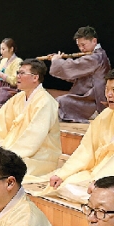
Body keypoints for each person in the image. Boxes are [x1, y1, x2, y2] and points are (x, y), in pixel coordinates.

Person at [0, 59, 60, 177]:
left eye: (22, 73)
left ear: (35, 78)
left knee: (2, 165)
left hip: (38, 154)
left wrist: (9, 154)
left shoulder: (46, 102)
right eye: (18, 73)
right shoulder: (19, 97)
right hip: (11, 144)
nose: (18, 77)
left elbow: (34, 136)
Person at [36, 70, 114, 203]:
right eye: (107, 89)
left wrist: (102, 181)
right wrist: (63, 174)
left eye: (113, 89)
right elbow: (86, 150)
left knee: (101, 195)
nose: (109, 94)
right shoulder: (105, 115)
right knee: (64, 184)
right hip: (98, 172)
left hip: (108, 174)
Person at [49, 26, 111, 123]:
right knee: (58, 102)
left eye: (83, 45)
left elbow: (74, 66)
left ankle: (93, 113)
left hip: (94, 101)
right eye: (79, 46)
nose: (81, 48)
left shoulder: (97, 57)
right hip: (89, 96)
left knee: (61, 101)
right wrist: (58, 61)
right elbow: (77, 76)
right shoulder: (96, 55)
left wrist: (57, 61)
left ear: (94, 41)